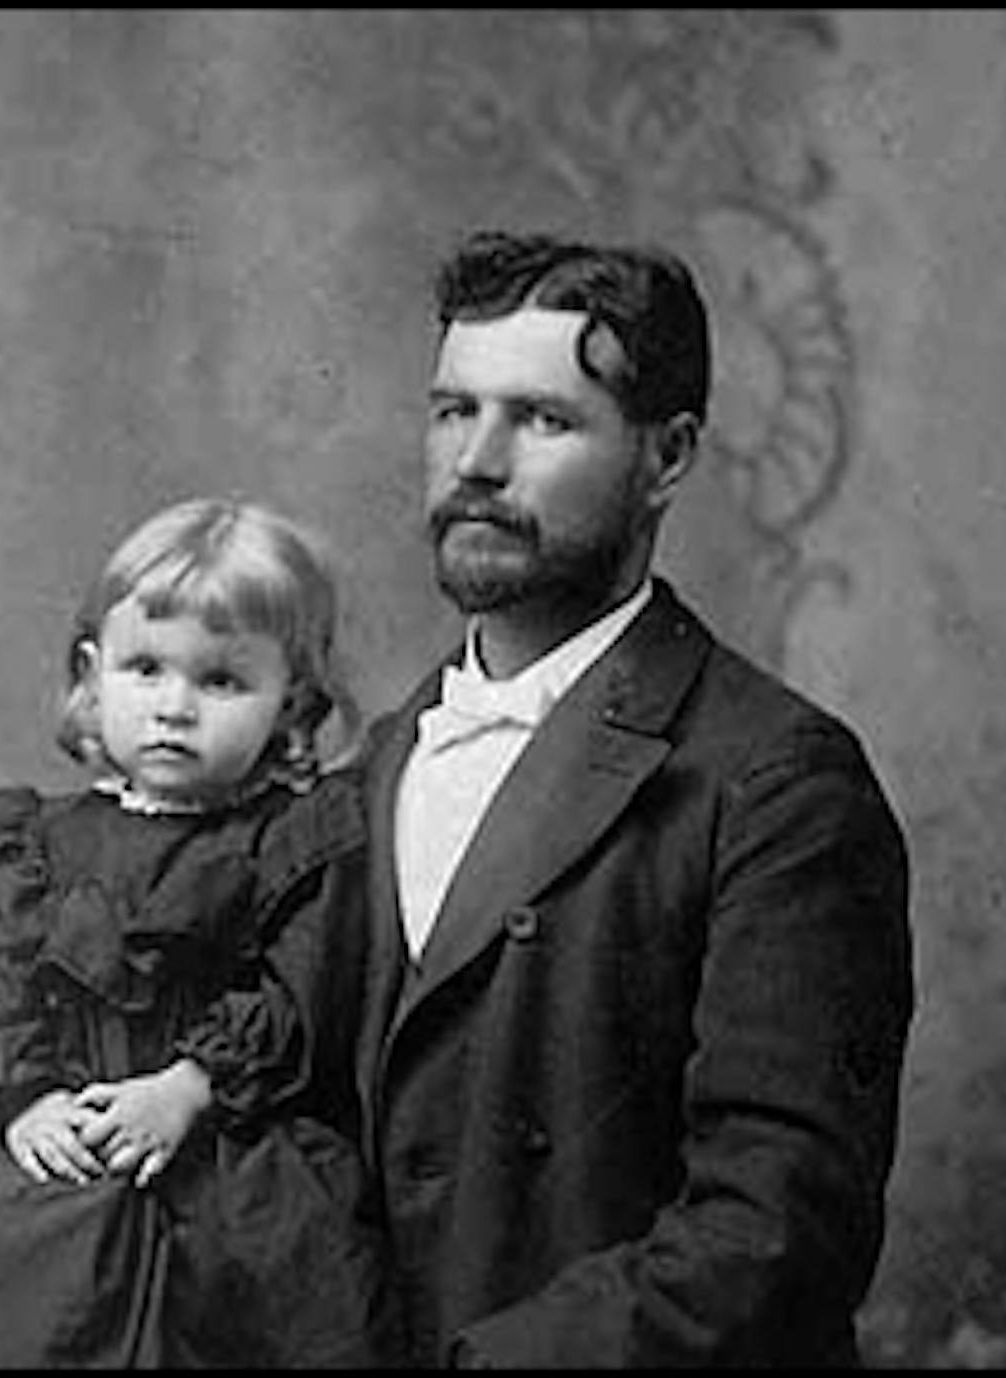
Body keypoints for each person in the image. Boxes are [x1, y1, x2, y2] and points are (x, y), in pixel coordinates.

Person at [357, 228, 914, 1366]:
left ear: (669, 457)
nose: (476, 460)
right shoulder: (377, 759)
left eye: (543, 420)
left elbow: (775, 1236)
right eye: (453, 410)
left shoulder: (779, 782)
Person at [0, 496, 392, 1368]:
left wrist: (189, 1087)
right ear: (92, 672)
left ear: (291, 701)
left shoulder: (299, 841)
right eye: (145, 669)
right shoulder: (32, 847)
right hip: (67, 1152)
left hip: (230, 1171)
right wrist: (26, 1102)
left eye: (221, 680)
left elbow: (299, 996)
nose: (175, 707)